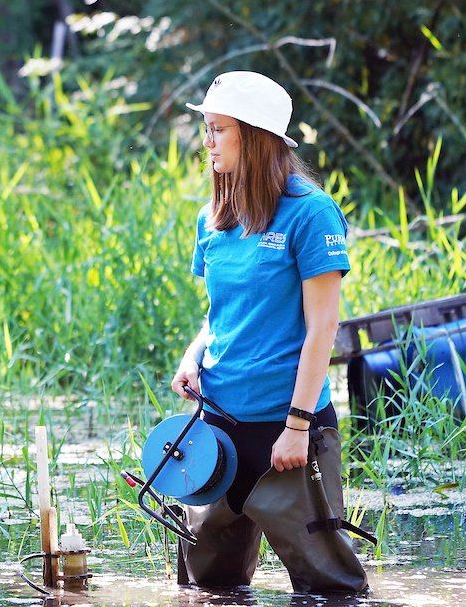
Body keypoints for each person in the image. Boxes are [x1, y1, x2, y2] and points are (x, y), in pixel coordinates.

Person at [170, 70, 368, 594]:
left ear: (254, 137)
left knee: (329, 587)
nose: (206, 142)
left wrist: (299, 425)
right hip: (218, 427)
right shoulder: (213, 217)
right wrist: (195, 353)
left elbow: (323, 326)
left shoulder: (311, 213)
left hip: (290, 427)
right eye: (206, 129)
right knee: (206, 584)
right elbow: (222, 314)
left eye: (218, 130)